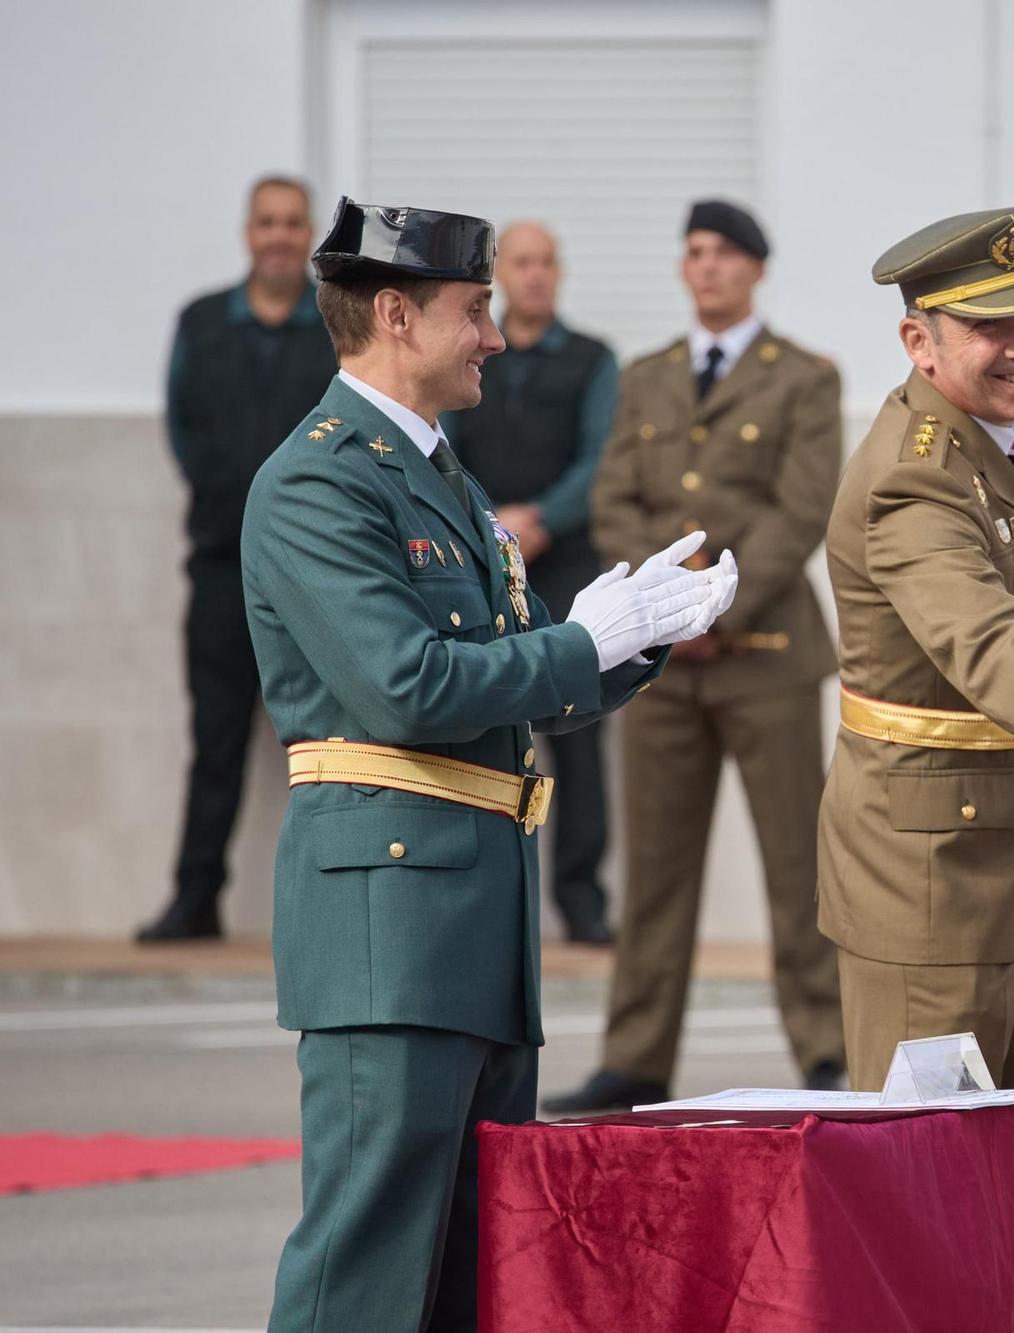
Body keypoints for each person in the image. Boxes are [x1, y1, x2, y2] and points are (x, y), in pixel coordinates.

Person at [245, 197, 734, 1331]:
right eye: (475, 311)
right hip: (391, 928)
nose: (496, 338)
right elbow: (407, 686)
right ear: (396, 314)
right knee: (366, 1268)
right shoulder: (320, 480)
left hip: (468, 921)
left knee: (468, 1274)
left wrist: (632, 637)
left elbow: (508, 678)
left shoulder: (437, 472)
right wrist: (580, 644)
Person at [818, 206, 1014, 1091]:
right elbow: (985, 640)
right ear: (918, 343)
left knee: (996, 1152)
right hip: (927, 882)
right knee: (926, 1159)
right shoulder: (914, 476)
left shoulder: (1007, 442)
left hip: (997, 859)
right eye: (990, 325)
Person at [546, 200, 846, 1113]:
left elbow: (801, 510)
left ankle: (828, 1049)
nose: (707, 267)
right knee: (656, 870)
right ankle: (635, 1057)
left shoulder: (803, 377)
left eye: (723, 253)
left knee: (798, 865)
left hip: (766, 655)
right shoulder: (646, 377)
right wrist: (667, 611)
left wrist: (715, 602)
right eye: (694, 253)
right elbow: (614, 501)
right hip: (663, 665)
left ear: (756, 268)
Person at [138, 176, 336, 942]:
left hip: (314, 577)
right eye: (267, 222)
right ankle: (195, 899)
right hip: (222, 567)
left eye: (293, 222)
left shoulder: (333, 324)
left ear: (309, 234)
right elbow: (182, 428)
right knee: (215, 741)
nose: (279, 235)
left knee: (327, 749)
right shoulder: (202, 322)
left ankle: (329, 907)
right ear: (248, 232)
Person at [443, 221, 620, 945]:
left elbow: (600, 458)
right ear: (500, 277)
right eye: (522, 262)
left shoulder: (591, 360)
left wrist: (540, 518)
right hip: (481, 560)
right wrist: (493, 526)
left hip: (566, 561)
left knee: (578, 733)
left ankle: (582, 900)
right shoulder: (467, 351)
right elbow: (444, 447)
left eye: (547, 261)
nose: (536, 274)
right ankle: (486, 893)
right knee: (486, 719)